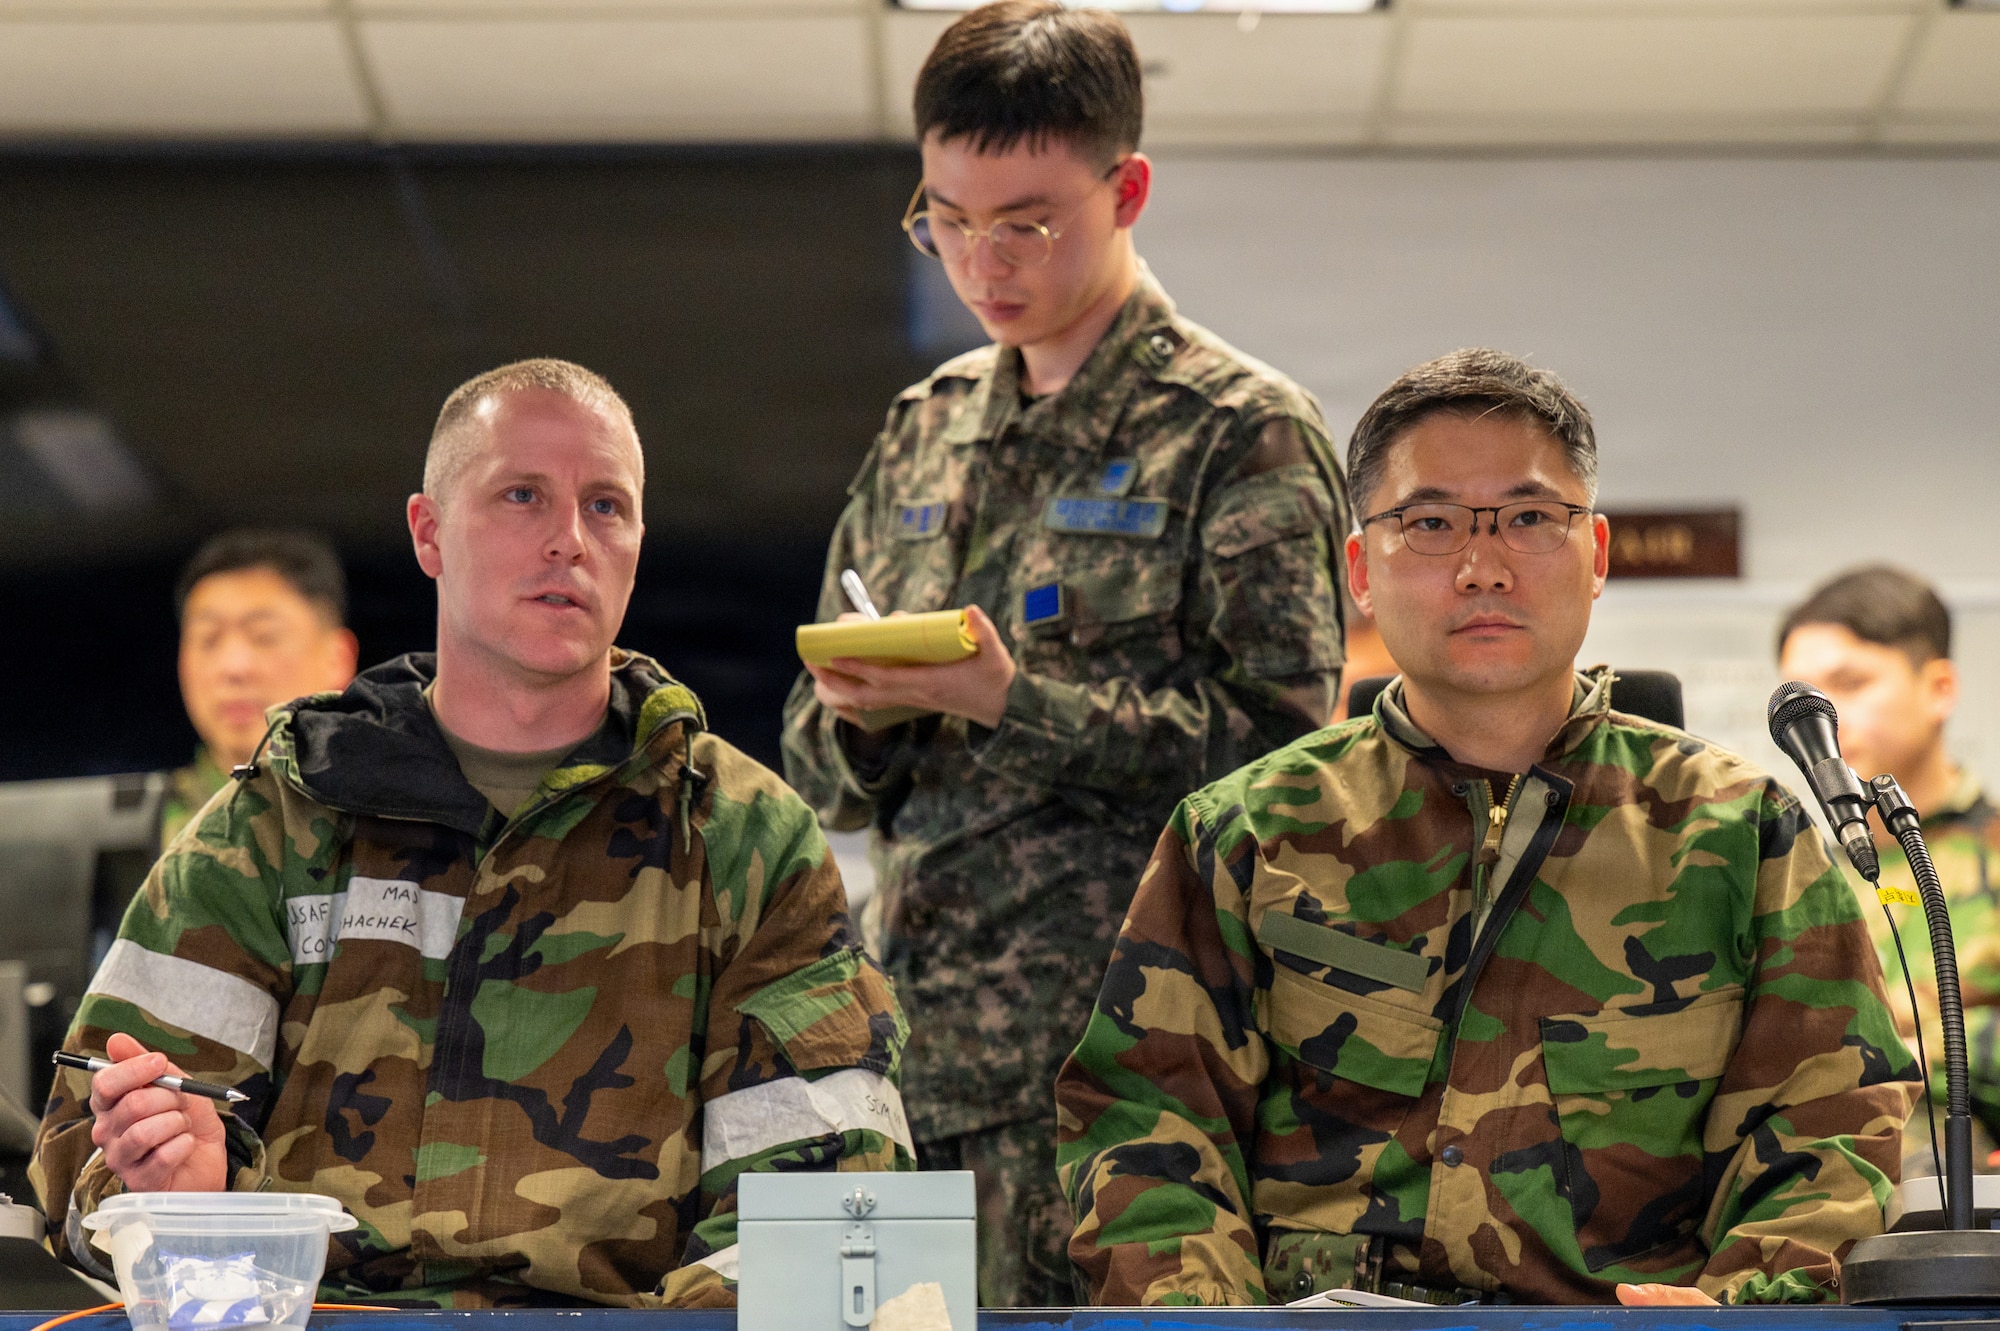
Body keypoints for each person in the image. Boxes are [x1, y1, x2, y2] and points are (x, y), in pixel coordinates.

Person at [32, 359, 911, 1308]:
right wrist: (172, 1197)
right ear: (428, 532)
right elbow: (80, 1164)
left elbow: (834, 1215)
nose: (569, 539)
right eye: (522, 495)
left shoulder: (743, 838)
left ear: (637, 544)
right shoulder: (280, 820)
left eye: (606, 505)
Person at [1056, 348, 1918, 1307]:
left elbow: (1834, 1130)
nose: (1483, 568)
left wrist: (1738, 1311)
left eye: (1529, 519)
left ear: (1596, 555)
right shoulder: (1245, 834)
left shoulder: (1744, 837)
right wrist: (1215, 1330)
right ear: (1361, 570)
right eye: (1430, 524)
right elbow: (1145, 1127)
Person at [780, 0, 1349, 1306]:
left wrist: (1011, 701)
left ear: (1126, 189)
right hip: (900, 1072)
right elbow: (816, 770)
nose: (981, 261)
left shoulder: (1237, 430)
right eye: (945, 219)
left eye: (1025, 222)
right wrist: (861, 719)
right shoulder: (921, 429)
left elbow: (1291, 775)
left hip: (1122, 1084)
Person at [1778, 566, 2000, 1174]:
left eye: (1850, 684)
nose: (1822, 722)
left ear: (1938, 689)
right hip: (1814, 1191)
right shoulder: (1792, 875)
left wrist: (1912, 1052)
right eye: (1802, 700)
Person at [163, 529, 359, 845]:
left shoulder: (394, 819)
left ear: (338, 658)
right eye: (208, 639)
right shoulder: (135, 828)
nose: (233, 667)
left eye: (264, 636)